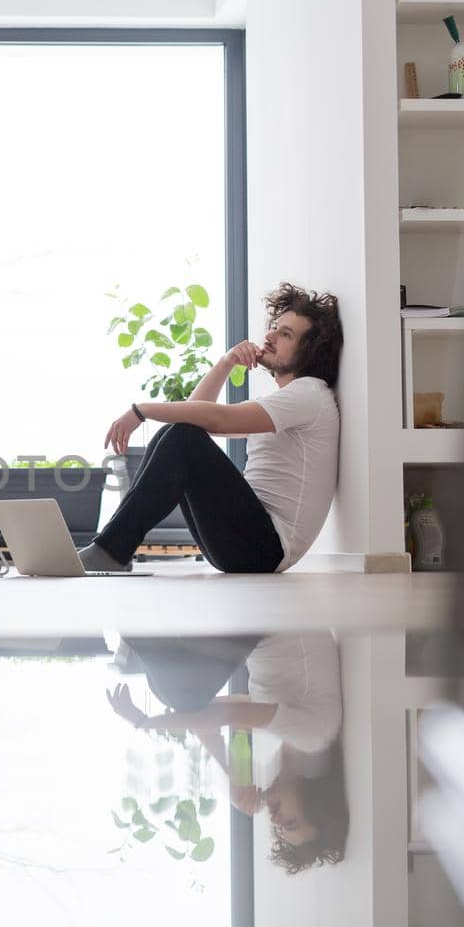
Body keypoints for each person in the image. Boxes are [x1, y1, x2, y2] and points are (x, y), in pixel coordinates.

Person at [80, 282, 343, 574]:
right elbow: (192, 418)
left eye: (285, 334)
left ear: (309, 351)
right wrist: (227, 361)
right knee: (178, 433)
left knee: (183, 438)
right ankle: (112, 548)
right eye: (275, 327)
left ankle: (111, 550)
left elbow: (213, 421)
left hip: (265, 547)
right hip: (246, 542)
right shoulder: (288, 399)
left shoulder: (309, 394)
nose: (270, 337)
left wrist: (141, 410)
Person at [106, 631, 348, 873]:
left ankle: (134, 625)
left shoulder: (293, 737)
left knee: (175, 692)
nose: (275, 820)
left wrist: (232, 776)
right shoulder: (315, 735)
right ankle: (131, 625)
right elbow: (224, 714)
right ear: (314, 803)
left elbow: (205, 713)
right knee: (180, 693)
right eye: (291, 822)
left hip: (260, 624)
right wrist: (143, 723)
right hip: (271, 616)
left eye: (279, 828)